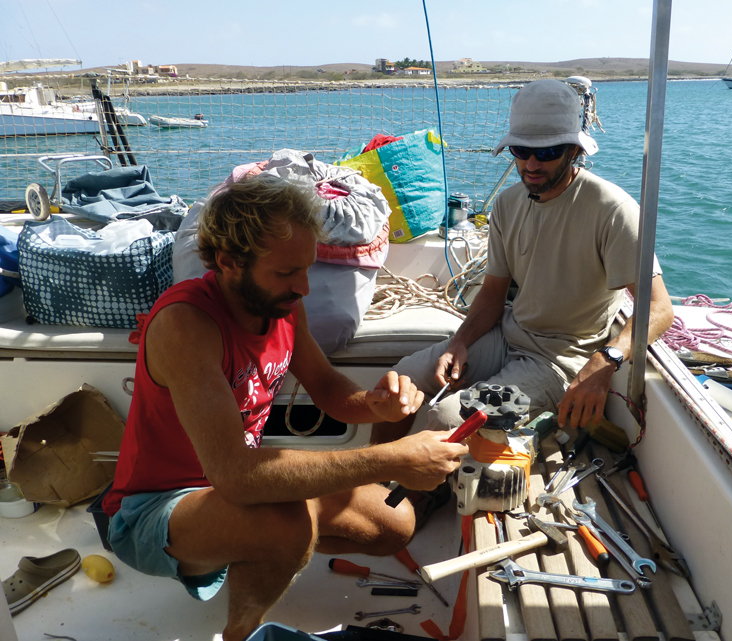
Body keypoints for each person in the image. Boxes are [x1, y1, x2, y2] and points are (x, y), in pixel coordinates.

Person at [102, 174, 468, 641]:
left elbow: (331, 391)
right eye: (286, 273)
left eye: (307, 268)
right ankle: (242, 631)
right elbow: (235, 475)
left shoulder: (280, 304)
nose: (304, 288)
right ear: (229, 262)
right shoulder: (186, 325)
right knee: (286, 521)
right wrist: (395, 458)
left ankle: (253, 543)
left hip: (231, 491)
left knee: (393, 525)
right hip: (154, 511)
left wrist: (380, 406)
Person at [372, 78, 674, 444]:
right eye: (520, 150)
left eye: (546, 153)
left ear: (573, 151)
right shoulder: (507, 204)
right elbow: (493, 292)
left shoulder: (613, 210)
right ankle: (374, 480)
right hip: (505, 335)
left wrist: (605, 362)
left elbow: (659, 308)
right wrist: (460, 342)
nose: (531, 164)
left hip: (556, 362)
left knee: (445, 418)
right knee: (396, 385)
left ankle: (402, 499)